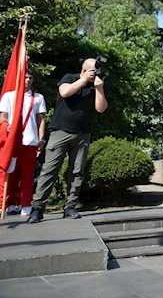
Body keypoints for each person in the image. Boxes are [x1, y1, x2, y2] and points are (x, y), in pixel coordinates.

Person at [27, 59, 108, 223]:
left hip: (83, 134)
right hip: (60, 131)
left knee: (77, 171)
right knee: (50, 169)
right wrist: (83, 81)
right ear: (84, 70)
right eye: (92, 70)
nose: (95, 74)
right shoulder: (70, 77)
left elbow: (101, 108)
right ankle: (38, 208)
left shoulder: (96, 86)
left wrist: (99, 89)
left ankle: (70, 206)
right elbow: (64, 92)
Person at [0, 69, 46, 217]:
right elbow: (3, 116)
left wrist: (41, 139)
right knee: (9, 173)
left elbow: (41, 120)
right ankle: (7, 203)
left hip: (30, 141)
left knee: (27, 176)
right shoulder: (9, 96)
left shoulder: (38, 97)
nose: (27, 80)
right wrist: (6, 126)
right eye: (25, 77)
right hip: (12, 142)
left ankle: (26, 203)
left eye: (30, 78)